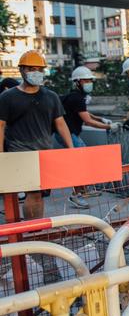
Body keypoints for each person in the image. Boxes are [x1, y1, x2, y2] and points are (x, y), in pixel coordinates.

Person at [0, 50, 73, 220]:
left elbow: (61, 124)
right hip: (21, 152)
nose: (37, 73)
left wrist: (72, 149)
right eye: (32, 68)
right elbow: (1, 126)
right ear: (22, 70)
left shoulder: (51, 97)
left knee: (38, 194)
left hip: (45, 153)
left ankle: (35, 230)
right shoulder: (7, 97)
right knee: (32, 193)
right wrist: (1, 155)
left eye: (40, 69)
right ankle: (33, 232)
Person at [57, 66, 119, 209]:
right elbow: (88, 121)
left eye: (90, 80)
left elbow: (86, 114)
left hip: (67, 134)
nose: (89, 83)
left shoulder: (75, 96)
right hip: (68, 134)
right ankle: (76, 195)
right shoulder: (77, 98)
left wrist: (101, 119)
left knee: (81, 159)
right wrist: (109, 127)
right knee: (79, 161)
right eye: (86, 80)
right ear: (77, 82)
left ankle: (82, 190)